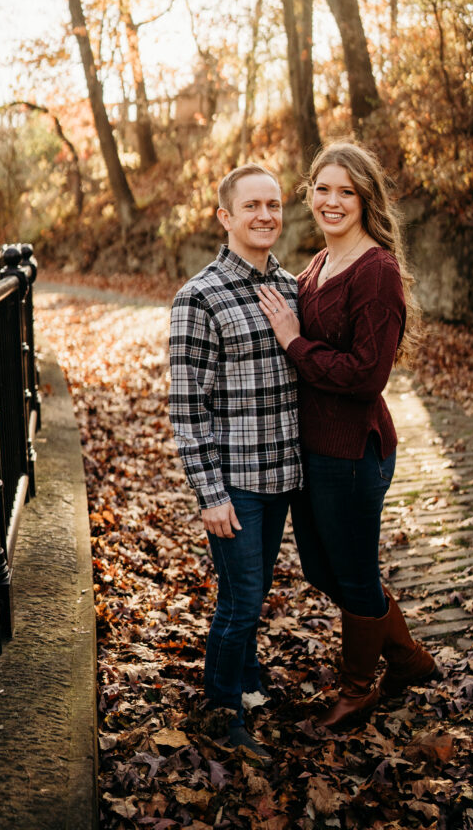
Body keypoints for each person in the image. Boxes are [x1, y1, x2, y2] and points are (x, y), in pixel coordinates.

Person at [258, 141, 437, 731]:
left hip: (353, 452)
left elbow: (366, 375)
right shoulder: (316, 264)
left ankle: (359, 688)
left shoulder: (377, 271)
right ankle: (406, 656)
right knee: (320, 568)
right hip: (312, 448)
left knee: (355, 573)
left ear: (365, 200)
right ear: (310, 193)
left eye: (346, 192)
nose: (332, 201)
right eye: (323, 189)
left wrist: (293, 342)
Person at [169, 163, 301, 758]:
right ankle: (222, 712)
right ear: (226, 216)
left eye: (273, 204)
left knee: (255, 590)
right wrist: (210, 494)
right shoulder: (198, 297)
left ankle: (246, 682)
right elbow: (187, 406)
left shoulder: (294, 286)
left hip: (282, 477)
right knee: (241, 601)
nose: (266, 215)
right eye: (252, 206)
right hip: (236, 482)